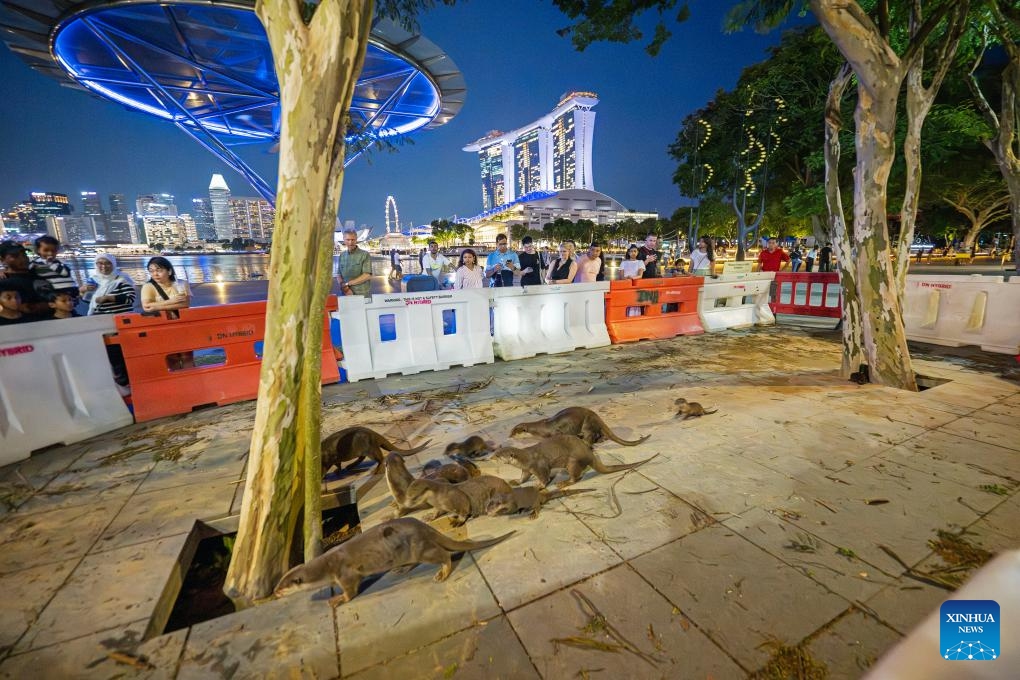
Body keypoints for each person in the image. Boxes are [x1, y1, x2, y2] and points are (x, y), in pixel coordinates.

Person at [141, 256, 192, 370]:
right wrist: (172, 301)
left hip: (182, 325)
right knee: (171, 357)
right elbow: (146, 307)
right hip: (162, 326)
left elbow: (185, 304)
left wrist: (156, 305)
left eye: (159, 270)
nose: (155, 274)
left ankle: (190, 380)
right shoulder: (148, 287)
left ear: (169, 271)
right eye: (151, 271)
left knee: (187, 356)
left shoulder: (181, 284)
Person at [0, 240, 54, 316]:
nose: (22, 259)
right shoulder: (4, 281)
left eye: (24, 254)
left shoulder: (40, 273)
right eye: (15, 256)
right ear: (3, 260)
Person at [31, 235, 79, 302]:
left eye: (53, 251)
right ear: (38, 250)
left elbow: (65, 273)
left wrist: (51, 264)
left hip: (69, 291)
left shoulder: (58, 262)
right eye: (46, 250)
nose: (50, 253)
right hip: (55, 292)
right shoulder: (35, 263)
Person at [335, 228, 373, 296]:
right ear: (344, 240)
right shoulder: (342, 255)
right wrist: (345, 287)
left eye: (353, 239)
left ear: (356, 240)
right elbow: (338, 274)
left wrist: (347, 284)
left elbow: (367, 275)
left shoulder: (364, 254)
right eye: (348, 240)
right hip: (345, 293)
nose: (350, 242)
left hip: (361, 294)